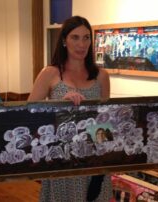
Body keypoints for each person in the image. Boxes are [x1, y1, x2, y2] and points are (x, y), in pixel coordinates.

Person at [28, 16, 112, 202]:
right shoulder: (50, 73)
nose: (81, 44)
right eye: (75, 37)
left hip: (93, 159)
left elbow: (105, 122)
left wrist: (102, 163)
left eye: (86, 37)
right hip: (62, 160)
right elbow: (28, 115)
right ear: (64, 40)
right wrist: (59, 105)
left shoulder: (101, 76)